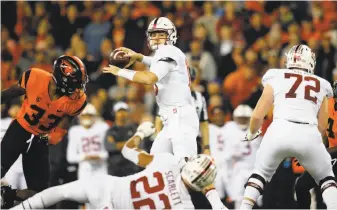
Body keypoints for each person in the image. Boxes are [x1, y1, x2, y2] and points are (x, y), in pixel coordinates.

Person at [11, 122, 225, 209]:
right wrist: (211, 191)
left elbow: (127, 151)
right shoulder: (185, 206)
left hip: (106, 187)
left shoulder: (167, 162)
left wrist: (140, 133)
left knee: (58, 192)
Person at [240, 45, 337, 209]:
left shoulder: (275, 75)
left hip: (279, 129)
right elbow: (322, 126)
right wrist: (317, 148)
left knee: (260, 174)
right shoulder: (322, 84)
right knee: (326, 178)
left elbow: (257, 115)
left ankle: (244, 207)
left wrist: (251, 133)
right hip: (308, 132)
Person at [102, 17, 199, 160]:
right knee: (156, 166)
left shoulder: (168, 51)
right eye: (153, 34)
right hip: (172, 118)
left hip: (180, 117)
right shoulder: (165, 53)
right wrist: (140, 57)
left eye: (161, 34)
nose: (157, 38)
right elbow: (157, 63)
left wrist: (120, 72)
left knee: (185, 168)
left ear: (170, 35)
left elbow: (150, 78)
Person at [1, 55, 88, 200]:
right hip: (19, 131)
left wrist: (52, 139)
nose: (78, 89)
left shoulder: (78, 101)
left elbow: (62, 128)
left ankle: (8, 194)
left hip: (40, 139)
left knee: (41, 195)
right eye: (75, 83)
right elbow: (8, 94)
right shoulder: (35, 77)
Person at [295, 80, 337, 209]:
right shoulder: (329, 104)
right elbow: (322, 133)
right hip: (331, 154)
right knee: (301, 185)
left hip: (332, 154)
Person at [154, 67, 210, 154]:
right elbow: (159, 121)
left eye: (191, 79)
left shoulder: (199, 98)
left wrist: (206, 147)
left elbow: (203, 123)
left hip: (193, 141)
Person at [223, 105, 261, 209]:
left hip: (254, 168)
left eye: (245, 118)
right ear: (235, 118)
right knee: (238, 197)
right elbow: (226, 153)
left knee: (258, 198)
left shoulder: (259, 128)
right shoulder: (229, 129)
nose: (243, 121)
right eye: (240, 118)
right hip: (237, 169)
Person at [104, 102, 139, 176]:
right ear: (114, 113)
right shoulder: (110, 131)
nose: (122, 114)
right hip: (114, 169)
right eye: (119, 111)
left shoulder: (134, 129)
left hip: (131, 168)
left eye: (124, 111)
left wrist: (117, 145)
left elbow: (138, 145)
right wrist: (129, 143)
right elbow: (109, 147)